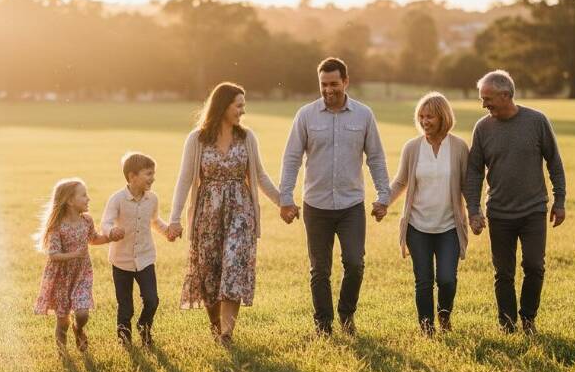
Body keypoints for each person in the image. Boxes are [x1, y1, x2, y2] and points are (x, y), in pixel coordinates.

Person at [279, 57, 391, 337]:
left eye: (334, 84)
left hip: (351, 204)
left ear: (346, 82)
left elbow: (375, 157)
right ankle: (324, 325)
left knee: (355, 263)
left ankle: (346, 315)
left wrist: (383, 195)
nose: (328, 90)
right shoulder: (306, 115)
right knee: (320, 270)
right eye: (323, 85)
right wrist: (285, 198)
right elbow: (291, 158)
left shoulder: (364, 115)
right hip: (315, 205)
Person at [168, 82, 280, 345]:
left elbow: (260, 177)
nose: (243, 110)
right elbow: (185, 180)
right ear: (223, 106)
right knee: (209, 274)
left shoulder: (246, 138)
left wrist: (283, 202)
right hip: (207, 213)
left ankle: (227, 334)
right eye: (238, 105)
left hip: (241, 212)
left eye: (243, 105)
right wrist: (174, 218)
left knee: (234, 267)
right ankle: (216, 326)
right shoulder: (197, 139)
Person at [464, 70, 567, 335]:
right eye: (482, 98)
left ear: (506, 95)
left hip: (533, 210)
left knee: (534, 266)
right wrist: (473, 210)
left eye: (487, 98)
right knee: (504, 273)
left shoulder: (536, 121)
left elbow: (554, 161)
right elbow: (474, 171)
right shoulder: (482, 128)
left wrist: (560, 199)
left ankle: (528, 318)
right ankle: (507, 324)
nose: (483, 104)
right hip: (498, 213)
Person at [388, 92, 469, 336]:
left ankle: (444, 316)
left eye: (430, 116)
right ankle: (427, 328)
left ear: (443, 117)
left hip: (449, 227)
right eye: (421, 116)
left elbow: (468, 185)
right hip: (417, 226)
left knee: (446, 279)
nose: (424, 121)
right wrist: (383, 203)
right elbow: (400, 181)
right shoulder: (412, 148)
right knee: (423, 281)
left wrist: (475, 212)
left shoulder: (459, 147)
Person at [100, 152, 171, 348]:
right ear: (132, 177)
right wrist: (111, 231)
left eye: (153, 173)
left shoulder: (152, 199)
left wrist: (168, 233)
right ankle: (124, 342)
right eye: (148, 174)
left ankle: (144, 327)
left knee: (152, 300)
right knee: (126, 307)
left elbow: (155, 221)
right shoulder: (117, 199)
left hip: (146, 258)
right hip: (121, 261)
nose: (153, 178)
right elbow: (105, 222)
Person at [33, 178, 112, 351]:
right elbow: (53, 255)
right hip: (61, 276)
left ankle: (79, 328)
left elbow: (93, 238)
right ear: (69, 201)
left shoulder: (86, 221)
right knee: (62, 321)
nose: (88, 199)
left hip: (82, 273)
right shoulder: (57, 226)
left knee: (82, 313)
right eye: (83, 195)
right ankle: (63, 354)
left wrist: (110, 237)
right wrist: (74, 254)